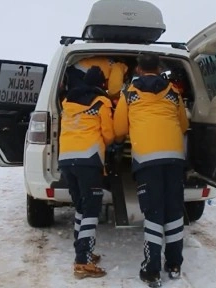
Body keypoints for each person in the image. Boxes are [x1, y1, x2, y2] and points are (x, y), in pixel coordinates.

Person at [113, 53, 189, 287]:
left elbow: (118, 129)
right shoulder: (174, 93)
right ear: (158, 68)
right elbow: (184, 125)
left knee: (154, 213)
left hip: (147, 161)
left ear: (137, 69)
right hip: (175, 159)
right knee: (174, 211)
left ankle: (151, 270)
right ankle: (174, 264)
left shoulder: (130, 94)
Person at [58, 66, 114, 279]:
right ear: (101, 84)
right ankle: (83, 263)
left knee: (81, 206)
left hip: (66, 159)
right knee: (92, 209)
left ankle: (82, 251)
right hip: (88, 159)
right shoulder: (102, 102)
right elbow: (108, 134)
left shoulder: (67, 103)